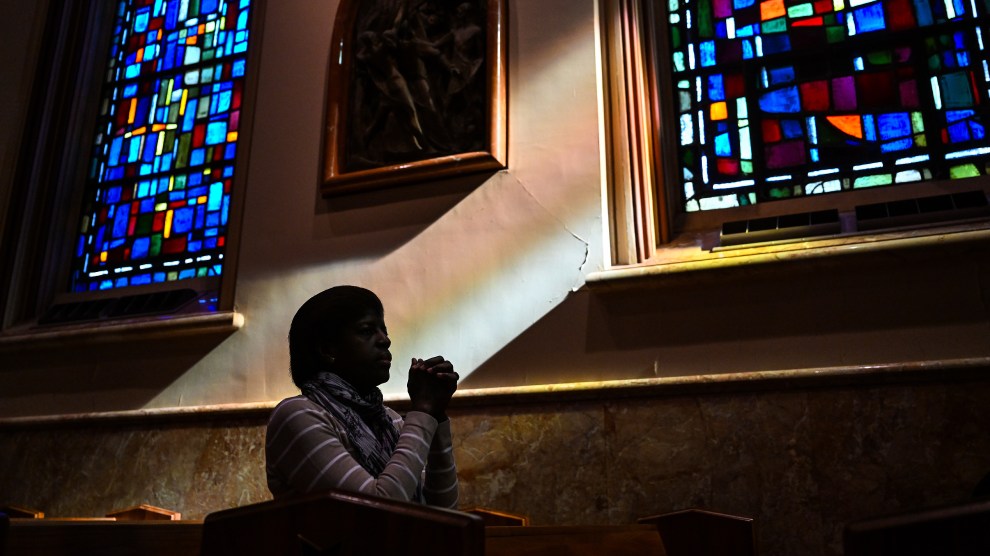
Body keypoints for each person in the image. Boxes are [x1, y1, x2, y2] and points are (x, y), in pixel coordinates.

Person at [265, 285, 459, 508]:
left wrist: (436, 415)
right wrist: (422, 411)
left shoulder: (390, 420)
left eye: (384, 331)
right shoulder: (299, 415)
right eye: (366, 331)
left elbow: (446, 513)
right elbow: (376, 510)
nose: (385, 340)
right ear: (327, 349)